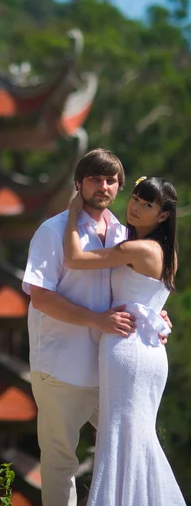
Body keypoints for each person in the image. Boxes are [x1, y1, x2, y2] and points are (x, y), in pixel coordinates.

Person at [22, 149, 171, 506]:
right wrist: (97, 321)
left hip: (111, 368)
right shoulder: (54, 230)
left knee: (129, 450)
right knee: (61, 464)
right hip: (62, 367)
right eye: (94, 178)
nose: (103, 186)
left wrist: (156, 315)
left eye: (110, 180)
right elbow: (40, 297)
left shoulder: (124, 233)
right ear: (78, 183)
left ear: (119, 187)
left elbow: (138, 288)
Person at [63, 175, 185, 506]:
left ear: (163, 215)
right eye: (134, 198)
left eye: (147, 205)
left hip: (126, 346)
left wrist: (73, 211)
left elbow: (75, 259)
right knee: (134, 435)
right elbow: (149, 300)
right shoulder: (165, 250)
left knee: (120, 435)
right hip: (148, 349)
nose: (134, 207)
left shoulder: (138, 248)